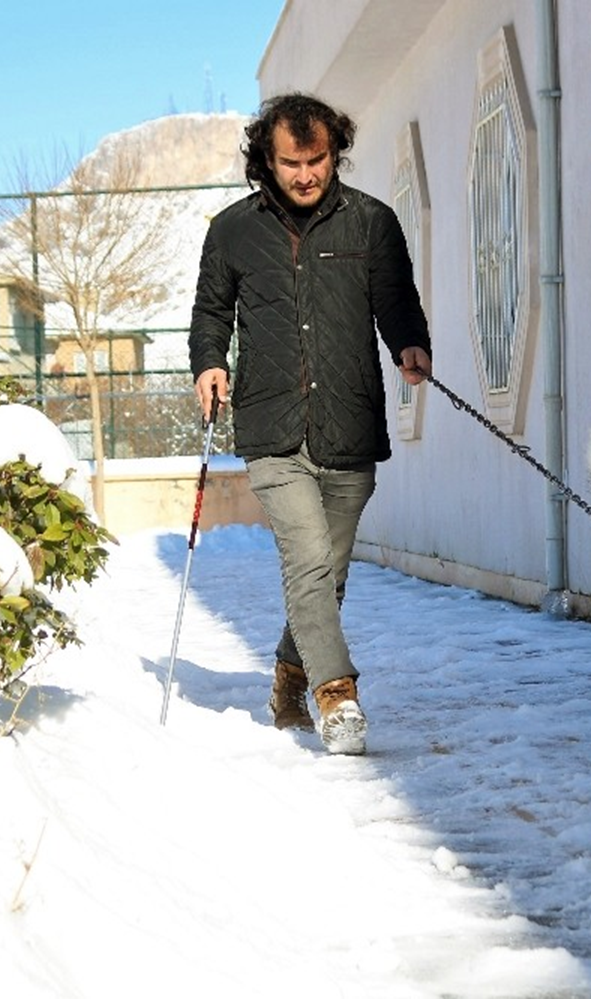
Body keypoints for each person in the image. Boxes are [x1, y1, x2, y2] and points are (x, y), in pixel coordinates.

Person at [189, 92, 432, 755]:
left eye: (317, 160)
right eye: (291, 162)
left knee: (329, 571)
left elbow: (396, 298)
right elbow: (211, 310)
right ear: (267, 159)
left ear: (335, 152)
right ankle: (337, 695)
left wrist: (410, 341)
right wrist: (208, 362)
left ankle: (290, 676)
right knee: (307, 558)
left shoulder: (371, 223)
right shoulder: (233, 231)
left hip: (349, 423)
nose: (305, 175)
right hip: (272, 425)